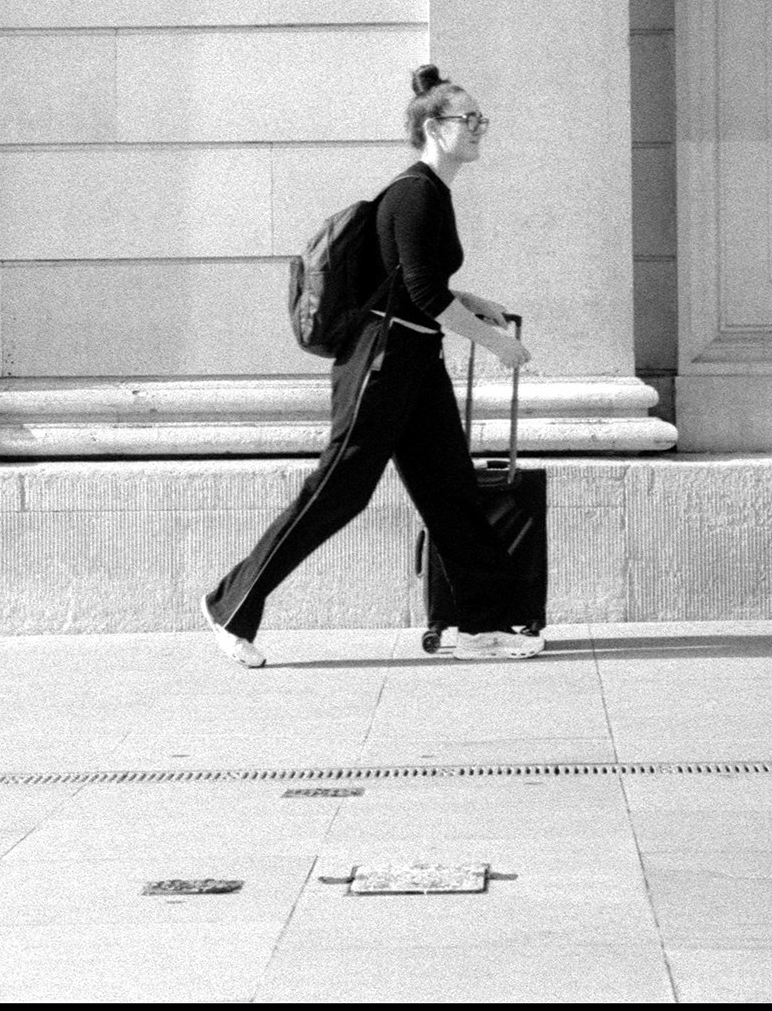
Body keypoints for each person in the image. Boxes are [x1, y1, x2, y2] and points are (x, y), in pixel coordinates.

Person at [202, 64, 543, 665]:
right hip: (383, 363)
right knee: (339, 491)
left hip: (415, 358)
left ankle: (482, 625)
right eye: (470, 120)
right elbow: (423, 295)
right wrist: (499, 347)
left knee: (451, 492)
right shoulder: (414, 193)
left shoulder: (432, 193)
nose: (480, 129)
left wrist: (475, 304)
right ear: (435, 128)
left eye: (482, 119)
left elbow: (422, 287)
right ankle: (232, 606)